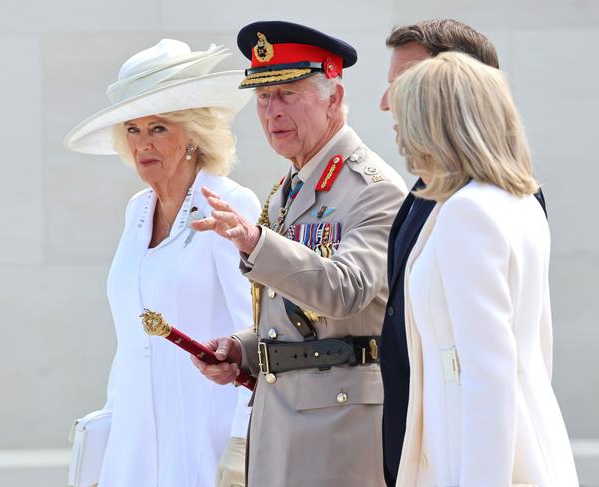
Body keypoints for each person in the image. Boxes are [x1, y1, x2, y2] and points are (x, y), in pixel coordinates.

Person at [191, 21, 407, 486]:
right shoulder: (290, 187)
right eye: (263, 98)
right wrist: (243, 349)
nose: (272, 112)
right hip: (278, 419)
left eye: (288, 93)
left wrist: (256, 241)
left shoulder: (373, 188)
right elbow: (297, 317)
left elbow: (346, 292)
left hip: (338, 426)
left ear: (334, 96)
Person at [64, 39, 260, 487]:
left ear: (192, 134)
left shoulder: (227, 202)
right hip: (132, 446)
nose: (142, 144)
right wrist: (106, 442)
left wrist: (240, 447)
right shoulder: (136, 211)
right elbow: (130, 341)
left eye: (158, 128)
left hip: (203, 441)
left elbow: (255, 330)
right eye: (132, 130)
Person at [389, 51, 578, 486]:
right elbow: (534, 351)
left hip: (472, 453)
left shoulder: (468, 213)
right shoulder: (518, 203)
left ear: (435, 123)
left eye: (407, 114)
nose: (398, 129)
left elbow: (488, 375)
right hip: (524, 437)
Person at [377, 20, 515, 485]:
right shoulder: (434, 193)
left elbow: (490, 378)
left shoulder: (472, 208)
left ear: (455, 90)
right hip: (425, 446)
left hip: (458, 454)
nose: (387, 102)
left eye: (407, 84)